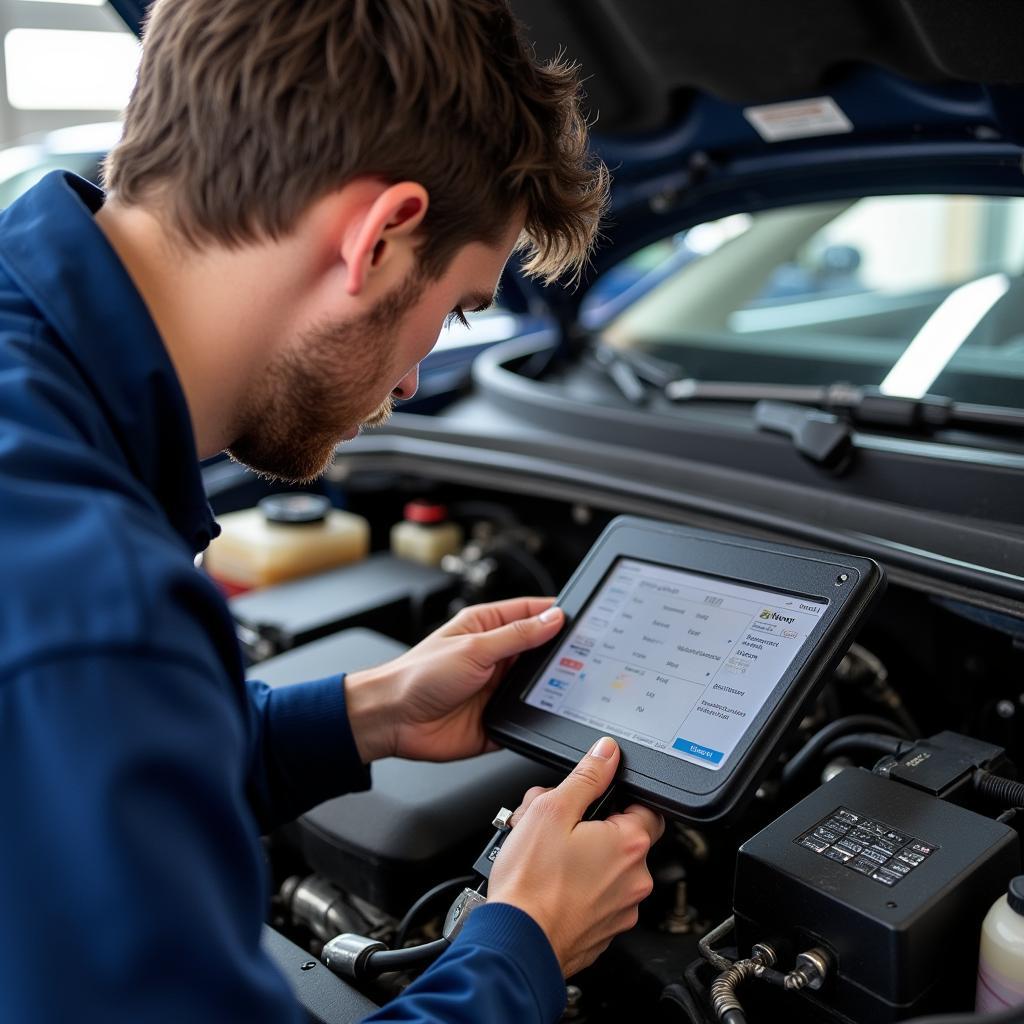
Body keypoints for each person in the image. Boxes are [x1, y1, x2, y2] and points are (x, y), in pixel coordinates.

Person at [0, 1, 666, 1022]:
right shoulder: (95, 606)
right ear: (383, 235)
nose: (410, 382)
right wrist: (522, 939)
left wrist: (366, 714)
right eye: (452, 312)